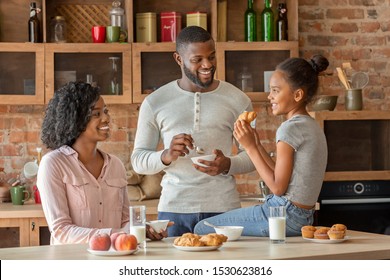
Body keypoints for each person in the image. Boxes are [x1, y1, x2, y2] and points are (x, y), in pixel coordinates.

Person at [131, 26, 255, 236]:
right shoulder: (155, 102)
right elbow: (138, 161)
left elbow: (254, 156)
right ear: (179, 59)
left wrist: (228, 164)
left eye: (212, 57)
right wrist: (166, 155)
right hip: (174, 210)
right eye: (197, 59)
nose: (207, 65)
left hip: (224, 209)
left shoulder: (238, 100)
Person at [194, 55, 329, 236]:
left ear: (297, 95)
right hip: (303, 217)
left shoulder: (289, 129)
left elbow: (278, 188)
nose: (270, 96)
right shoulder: (310, 125)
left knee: (203, 228)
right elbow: (283, 177)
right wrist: (256, 144)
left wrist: (249, 147)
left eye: (275, 90)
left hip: (283, 214)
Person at [37, 81, 167, 244]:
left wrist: (144, 229)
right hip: (73, 262)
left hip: (114, 259)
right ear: (75, 119)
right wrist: (115, 234)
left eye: (105, 112)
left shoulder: (115, 165)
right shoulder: (53, 164)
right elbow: (61, 231)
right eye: (96, 114)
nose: (106, 118)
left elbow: (126, 221)